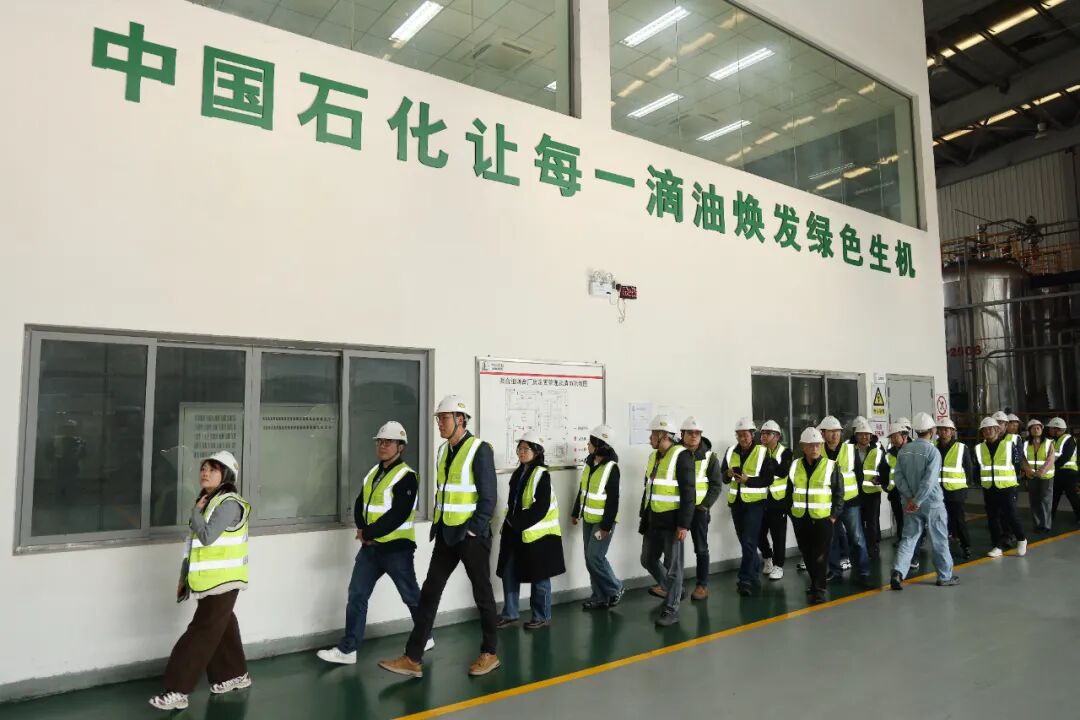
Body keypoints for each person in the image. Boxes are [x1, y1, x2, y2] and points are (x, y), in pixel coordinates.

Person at [379, 395, 500, 679]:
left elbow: (489, 497)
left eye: (444, 418)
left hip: (471, 536)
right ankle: (413, 657)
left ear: (461, 419)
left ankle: (490, 653)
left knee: (482, 594)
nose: (440, 424)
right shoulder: (443, 451)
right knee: (430, 592)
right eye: (438, 419)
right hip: (446, 533)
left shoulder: (479, 449)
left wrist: (473, 528)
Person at [318, 422, 430, 666]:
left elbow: (399, 514)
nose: (382, 446)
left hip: (396, 549)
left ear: (400, 446)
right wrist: (362, 529)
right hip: (370, 548)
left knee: (411, 595)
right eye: (380, 441)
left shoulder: (407, 476)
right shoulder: (373, 473)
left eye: (388, 442)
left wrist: (369, 532)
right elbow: (361, 502)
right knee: (357, 594)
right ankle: (348, 649)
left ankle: (425, 635)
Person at [150, 451, 252, 711]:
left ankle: (177, 690)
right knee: (223, 626)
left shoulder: (229, 503)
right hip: (211, 581)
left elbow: (206, 536)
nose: (205, 472)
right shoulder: (211, 501)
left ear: (226, 475)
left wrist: (195, 511)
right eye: (203, 468)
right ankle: (235, 674)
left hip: (224, 581)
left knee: (200, 633)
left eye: (212, 469)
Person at [496, 431, 566, 630]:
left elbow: (541, 507)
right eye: (520, 448)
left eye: (526, 449)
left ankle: (542, 616)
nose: (521, 452)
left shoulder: (541, 475)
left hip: (539, 534)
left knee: (540, 576)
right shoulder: (519, 473)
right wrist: (511, 523)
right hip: (516, 532)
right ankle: (510, 614)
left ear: (537, 451)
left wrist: (517, 523)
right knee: (509, 571)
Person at [889, 414, 959, 590]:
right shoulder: (933, 452)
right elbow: (929, 481)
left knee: (908, 538)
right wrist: (918, 500)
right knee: (939, 539)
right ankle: (945, 576)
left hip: (910, 504)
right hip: (932, 503)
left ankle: (898, 572)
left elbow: (898, 478)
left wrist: (910, 499)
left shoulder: (903, 451)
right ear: (932, 431)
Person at [639, 414, 695, 627]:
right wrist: (644, 516)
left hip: (672, 523)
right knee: (647, 559)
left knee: (674, 568)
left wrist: (684, 525)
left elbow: (689, 493)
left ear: (663, 436)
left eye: (653, 435)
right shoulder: (653, 457)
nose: (650, 439)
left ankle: (671, 610)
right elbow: (649, 489)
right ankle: (675, 591)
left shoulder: (682, 456)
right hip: (653, 520)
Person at [787, 427, 843, 605]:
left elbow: (839, 493)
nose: (815, 448)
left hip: (823, 519)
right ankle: (815, 583)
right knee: (807, 554)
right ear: (803, 447)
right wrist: (791, 513)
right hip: (800, 518)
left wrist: (834, 516)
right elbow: (789, 491)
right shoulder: (795, 465)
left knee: (820, 556)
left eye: (818, 445)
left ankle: (819, 590)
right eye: (811, 445)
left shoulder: (831, 466)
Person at [721, 417, 777, 596]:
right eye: (739, 435)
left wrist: (748, 480)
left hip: (755, 504)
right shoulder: (730, 451)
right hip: (736, 504)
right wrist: (728, 473)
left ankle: (744, 580)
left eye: (745, 435)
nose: (742, 438)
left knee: (748, 541)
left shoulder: (763, 452)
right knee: (746, 543)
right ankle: (753, 573)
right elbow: (723, 478)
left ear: (753, 435)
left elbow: (768, 479)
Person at [571, 425, 624, 610]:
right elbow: (583, 490)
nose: (588, 445)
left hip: (603, 522)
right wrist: (576, 512)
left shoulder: (611, 468)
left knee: (595, 557)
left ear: (600, 445)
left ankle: (615, 587)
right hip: (588, 518)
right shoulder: (589, 463)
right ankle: (600, 596)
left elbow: (613, 500)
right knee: (589, 559)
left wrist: (606, 527)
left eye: (591, 442)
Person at [818, 416, 871, 587]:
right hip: (829, 504)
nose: (835, 435)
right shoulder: (819, 451)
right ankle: (835, 571)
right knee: (831, 539)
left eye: (837, 432)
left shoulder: (849, 450)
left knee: (857, 538)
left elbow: (859, 475)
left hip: (850, 502)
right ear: (823, 433)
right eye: (831, 432)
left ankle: (863, 571)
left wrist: (858, 498)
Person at [680, 416, 724, 600]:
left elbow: (716, 485)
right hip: (678, 509)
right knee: (674, 550)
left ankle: (702, 586)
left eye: (697, 433)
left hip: (699, 511)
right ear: (682, 434)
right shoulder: (675, 455)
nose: (694, 436)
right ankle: (674, 585)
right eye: (690, 433)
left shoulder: (709, 457)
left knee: (701, 548)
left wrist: (704, 506)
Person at [974, 416, 1028, 558]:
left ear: (997, 430)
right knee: (993, 518)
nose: (988, 431)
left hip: (1007, 487)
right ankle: (997, 546)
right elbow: (977, 467)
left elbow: (1017, 465)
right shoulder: (979, 448)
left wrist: (1014, 481)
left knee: (1011, 514)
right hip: (989, 487)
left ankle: (1021, 538)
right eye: (985, 430)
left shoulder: (1009, 445)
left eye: (991, 429)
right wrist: (980, 481)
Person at [936, 417, 974, 560]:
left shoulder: (961, 448)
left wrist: (965, 487)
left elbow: (969, 469)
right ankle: (944, 546)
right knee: (941, 520)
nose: (943, 432)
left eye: (946, 430)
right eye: (941, 429)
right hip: (938, 491)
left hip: (956, 491)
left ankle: (966, 546)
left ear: (952, 432)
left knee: (958, 519)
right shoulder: (933, 447)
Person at [758, 420, 792, 581]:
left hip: (778, 500)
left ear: (777, 436)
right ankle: (767, 558)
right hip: (759, 499)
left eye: (768, 434)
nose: (764, 436)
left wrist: (768, 462)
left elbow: (783, 471)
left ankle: (779, 566)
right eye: (762, 433)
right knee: (758, 533)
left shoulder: (786, 452)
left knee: (778, 536)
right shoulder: (756, 451)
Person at [851, 418, 887, 558]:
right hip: (855, 492)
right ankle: (859, 547)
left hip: (872, 493)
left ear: (871, 436)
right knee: (857, 522)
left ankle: (873, 548)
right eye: (861, 434)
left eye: (867, 434)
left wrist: (880, 479)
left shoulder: (877, 451)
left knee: (872, 522)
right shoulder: (849, 451)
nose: (864, 437)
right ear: (856, 436)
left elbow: (885, 470)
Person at [1023, 418, 1057, 533]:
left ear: (1042, 429)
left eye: (1038, 428)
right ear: (1029, 430)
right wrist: (1028, 470)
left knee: (1045, 500)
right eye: (1033, 428)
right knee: (1034, 501)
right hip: (1031, 476)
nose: (1036, 430)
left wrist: (1041, 471)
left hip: (1046, 477)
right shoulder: (1025, 444)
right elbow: (1023, 459)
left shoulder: (1048, 443)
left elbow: (1051, 459)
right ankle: (1037, 525)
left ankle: (1046, 525)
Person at [1047, 417, 1080, 523]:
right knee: (1054, 496)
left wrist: (1050, 468)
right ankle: (1049, 518)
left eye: (1051, 428)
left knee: (1072, 496)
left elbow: (1065, 458)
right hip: (1058, 472)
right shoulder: (1054, 440)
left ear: (1057, 429)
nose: (1049, 430)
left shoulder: (1068, 439)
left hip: (1068, 473)